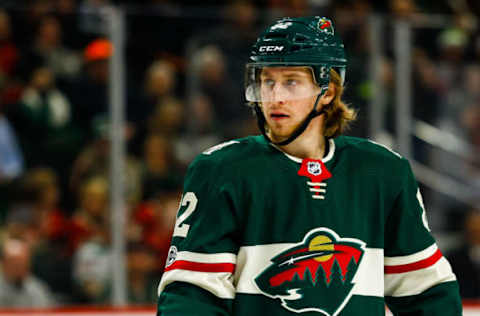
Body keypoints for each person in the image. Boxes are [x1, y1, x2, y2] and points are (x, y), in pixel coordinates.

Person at [157, 17, 461, 315]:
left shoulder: (383, 172)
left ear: (327, 92)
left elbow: (427, 293)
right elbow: (192, 295)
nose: (275, 97)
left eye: (291, 82)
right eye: (267, 82)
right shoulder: (222, 170)